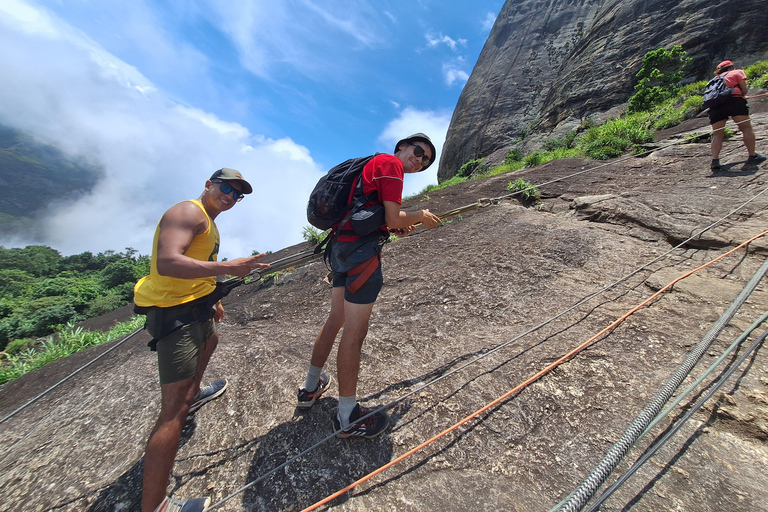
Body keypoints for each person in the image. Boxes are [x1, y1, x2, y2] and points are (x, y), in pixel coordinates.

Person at [134, 168, 269, 512]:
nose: (230, 196)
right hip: (175, 316)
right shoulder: (189, 212)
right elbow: (167, 262)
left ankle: (193, 395)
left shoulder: (208, 219)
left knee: (211, 342)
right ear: (209, 185)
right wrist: (227, 269)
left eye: (237, 194)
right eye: (226, 188)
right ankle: (155, 506)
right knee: (172, 411)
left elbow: (198, 261)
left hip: (197, 306)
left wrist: (215, 296)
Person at [296, 133, 442, 439]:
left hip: (340, 249)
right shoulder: (391, 164)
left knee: (336, 318)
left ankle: (310, 388)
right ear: (401, 147)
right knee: (354, 330)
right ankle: (347, 417)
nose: (420, 160)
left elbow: (377, 217)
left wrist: (395, 226)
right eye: (417, 151)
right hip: (361, 255)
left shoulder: (373, 164)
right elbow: (392, 216)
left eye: (426, 160)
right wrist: (421, 215)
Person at [709, 60, 766, 170]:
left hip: (715, 105)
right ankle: (752, 156)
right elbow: (744, 90)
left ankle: (715, 160)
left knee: (717, 134)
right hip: (735, 101)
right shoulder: (737, 72)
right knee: (746, 128)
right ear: (731, 68)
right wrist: (742, 94)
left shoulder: (713, 80)